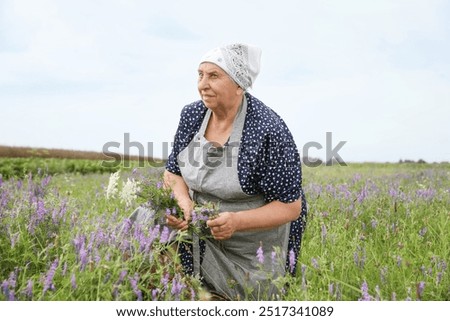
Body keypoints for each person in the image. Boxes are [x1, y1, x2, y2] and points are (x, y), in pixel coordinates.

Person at [163, 43, 307, 300]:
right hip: (201, 228)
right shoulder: (193, 115)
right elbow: (173, 173)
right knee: (147, 217)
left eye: (214, 76)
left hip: (249, 247)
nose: (202, 84)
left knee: (244, 296)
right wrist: (183, 203)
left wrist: (236, 222)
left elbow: (291, 207)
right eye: (200, 74)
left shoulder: (267, 129)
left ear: (239, 86)